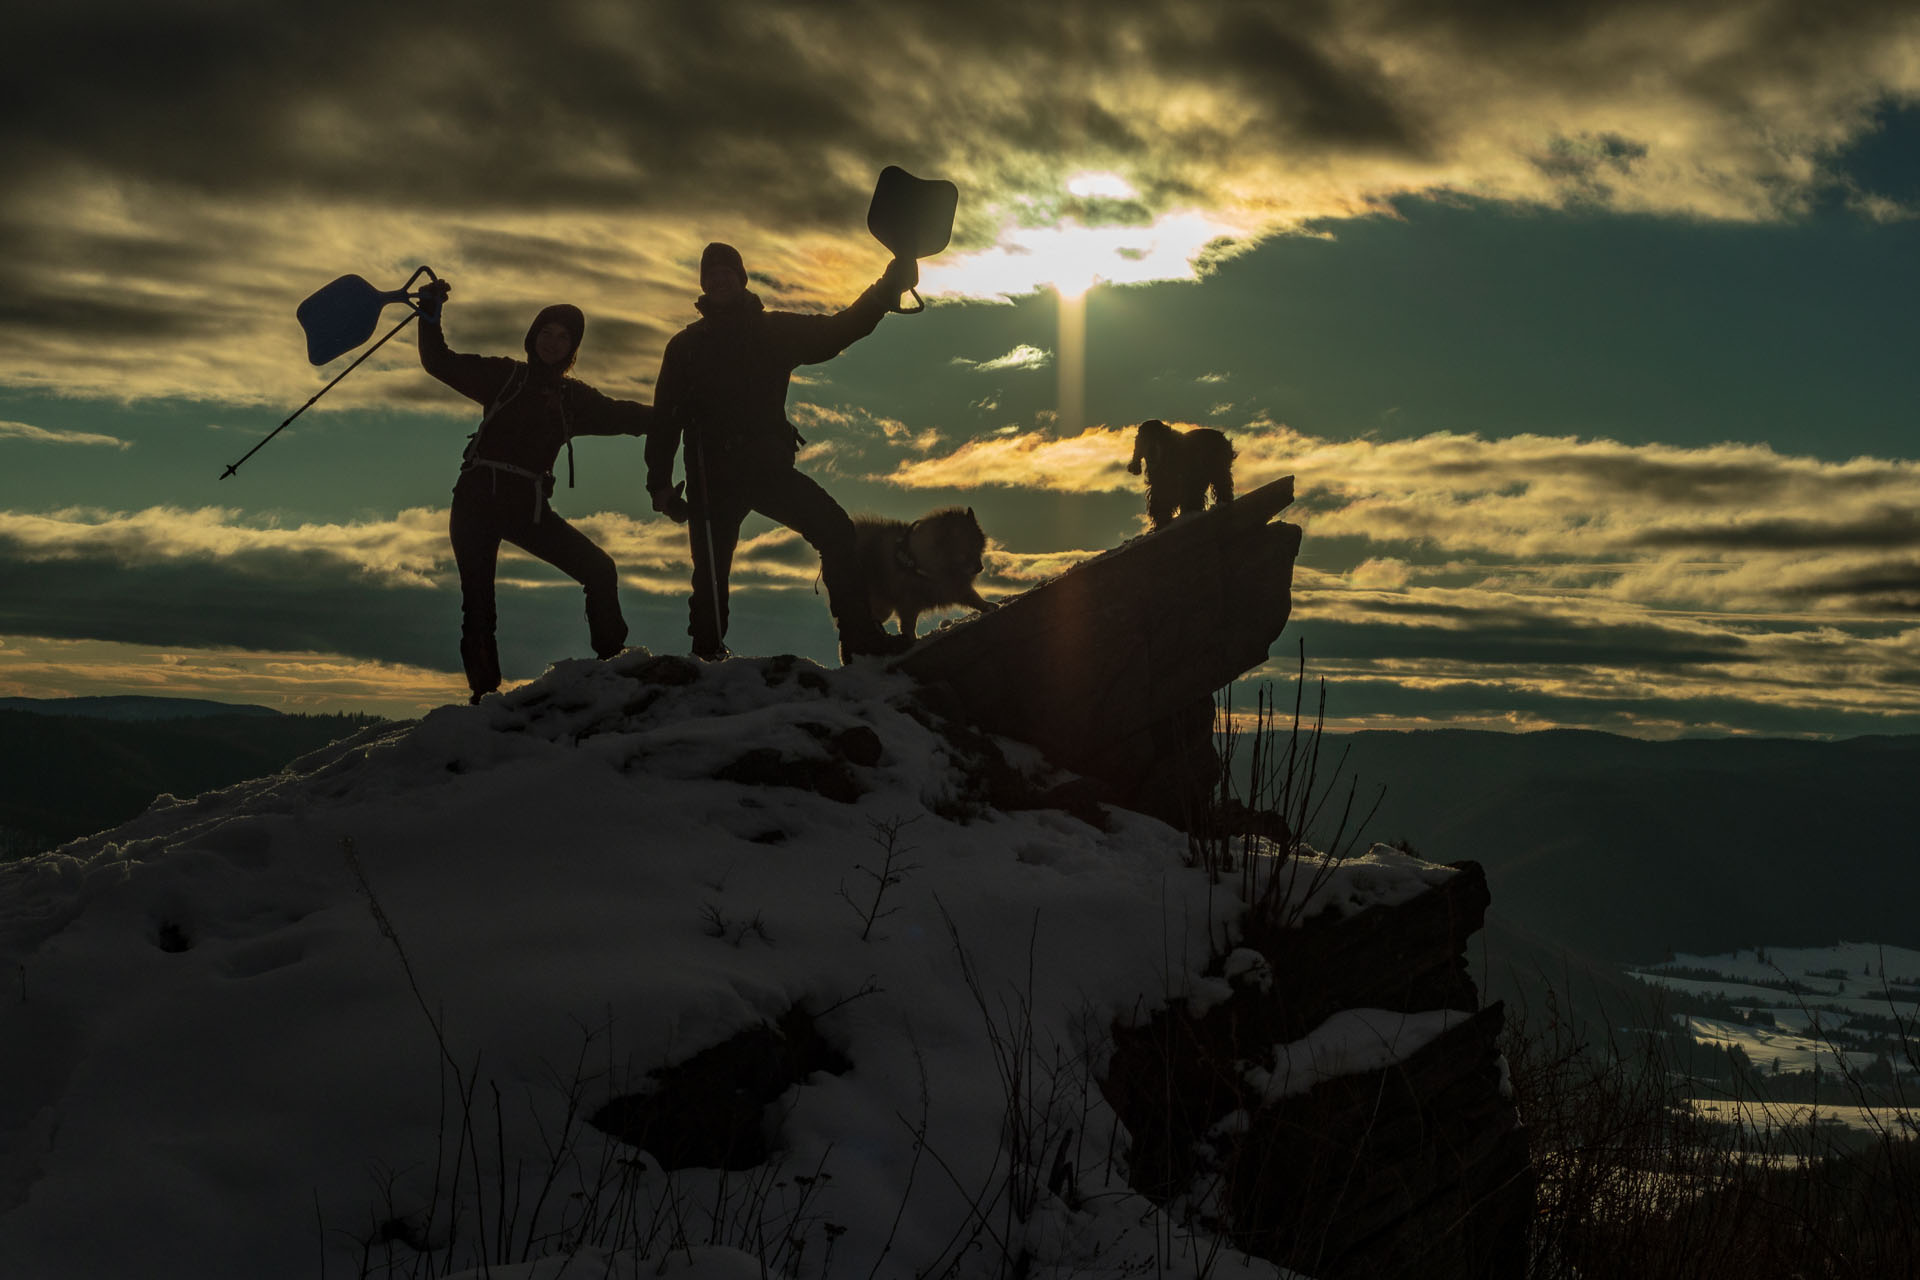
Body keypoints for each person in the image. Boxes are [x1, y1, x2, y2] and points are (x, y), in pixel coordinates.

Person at [646, 242, 919, 662]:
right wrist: (659, 484)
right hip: (710, 475)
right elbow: (665, 418)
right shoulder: (684, 347)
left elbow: (837, 331)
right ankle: (705, 659)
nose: (719, 279)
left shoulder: (772, 331)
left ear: (741, 279)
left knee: (836, 531)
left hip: (766, 469)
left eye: (726, 272)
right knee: (710, 577)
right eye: (710, 274)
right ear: (703, 284)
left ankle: (860, 640)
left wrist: (886, 290)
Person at [415, 277, 651, 703]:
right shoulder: (503, 376)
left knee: (600, 570)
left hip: (528, 506)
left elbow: (628, 416)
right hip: (475, 499)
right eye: (547, 333)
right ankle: (484, 697)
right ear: (533, 336)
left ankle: (612, 666)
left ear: (572, 348)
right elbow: (439, 361)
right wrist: (430, 313)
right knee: (479, 606)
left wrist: (683, 413)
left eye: (564, 337)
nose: (553, 342)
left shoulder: (573, 399)